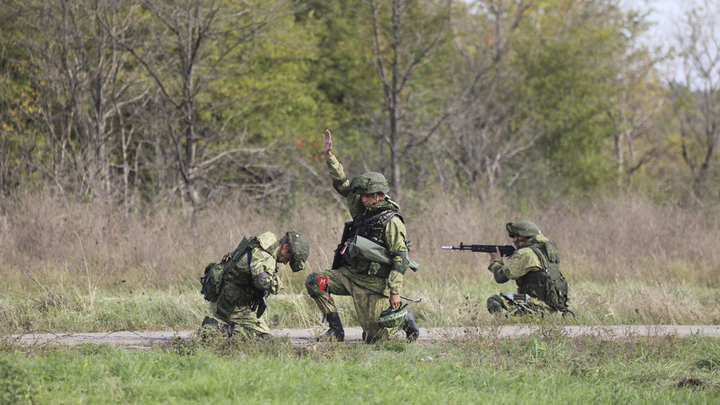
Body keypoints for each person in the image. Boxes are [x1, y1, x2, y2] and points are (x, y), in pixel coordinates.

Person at [304, 129, 420, 343]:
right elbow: (344, 187)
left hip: (373, 286)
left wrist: (395, 292)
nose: (363, 200)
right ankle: (335, 331)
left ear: (380, 196)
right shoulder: (363, 212)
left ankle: (405, 319)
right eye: (363, 196)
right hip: (349, 276)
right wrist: (330, 157)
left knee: (374, 341)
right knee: (315, 281)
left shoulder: (391, 221)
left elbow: (400, 258)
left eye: (368, 196)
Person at [199, 230, 310, 339]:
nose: (286, 263)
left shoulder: (259, 245)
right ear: (285, 247)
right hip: (228, 305)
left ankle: (220, 329)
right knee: (263, 337)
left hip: (224, 298)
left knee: (260, 334)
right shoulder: (266, 257)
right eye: (288, 258)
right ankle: (212, 328)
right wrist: (277, 284)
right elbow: (263, 282)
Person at [486, 221, 571, 316]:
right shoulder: (545, 250)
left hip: (536, 306)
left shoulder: (526, 253)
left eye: (515, 237)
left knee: (494, 300)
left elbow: (500, 277)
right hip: (551, 306)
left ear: (524, 236)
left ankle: (502, 323)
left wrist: (496, 260)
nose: (513, 241)